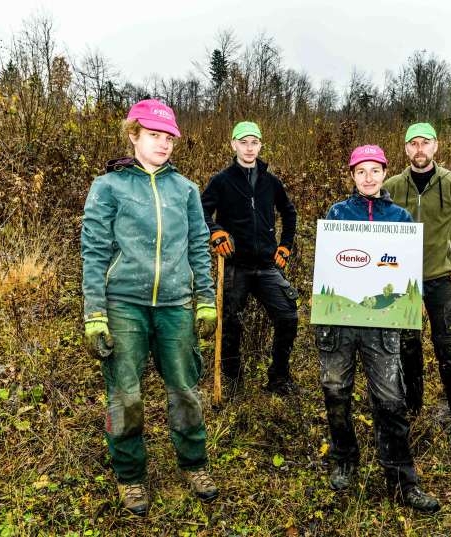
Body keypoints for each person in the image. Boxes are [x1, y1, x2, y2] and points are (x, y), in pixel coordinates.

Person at [81, 99, 219, 516]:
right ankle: (130, 476)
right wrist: (95, 311)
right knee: (125, 394)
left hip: (175, 303)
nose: (163, 144)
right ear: (133, 135)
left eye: (169, 137)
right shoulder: (109, 186)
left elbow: (199, 246)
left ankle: (193, 465)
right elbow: (94, 249)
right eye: (154, 135)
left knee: (184, 390)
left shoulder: (186, 190)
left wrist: (206, 301)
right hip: (124, 303)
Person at [315, 145, 440, 513]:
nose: (368, 178)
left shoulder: (400, 218)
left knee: (390, 399)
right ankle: (344, 458)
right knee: (335, 389)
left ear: (385, 173)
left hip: (381, 326)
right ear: (352, 176)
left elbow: (405, 269)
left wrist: (407, 302)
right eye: (361, 171)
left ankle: (402, 478)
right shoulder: (338, 213)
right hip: (339, 324)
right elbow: (330, 263)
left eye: (374, 170)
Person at [383, 123, 451, 444]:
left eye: (424, 143)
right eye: (412, 143)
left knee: (449, 349)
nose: (419, 149)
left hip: (439, 279)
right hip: (402, 281)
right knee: (407, 348)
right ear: (405, 149)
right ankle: (413, 412)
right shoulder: (392, 187)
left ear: (435, 146)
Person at [201, 121, 299, 396]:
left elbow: (289, 212)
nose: (249, 148)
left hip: (267, 265)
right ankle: (233, 381)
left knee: (288, 316)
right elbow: (201, 211)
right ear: (233, 144)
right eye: (243, 142)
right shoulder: (221, 180)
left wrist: (285, 247)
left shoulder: (270, 181)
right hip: (235, 265)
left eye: (254, 142)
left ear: (260, 146)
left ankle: (278, 378)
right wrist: (216, 231)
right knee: (231, 322)